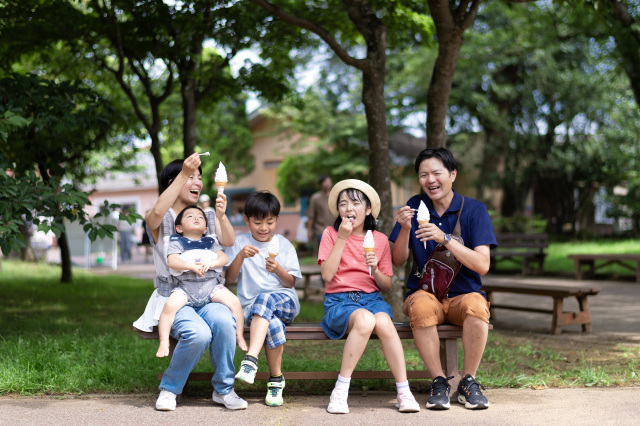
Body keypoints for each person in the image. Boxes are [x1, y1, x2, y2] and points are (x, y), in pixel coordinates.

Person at [132, 153, 247, 412]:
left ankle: (224, 390)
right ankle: (170, 389)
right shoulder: (159, 218)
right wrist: (184, 172)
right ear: (174, 181)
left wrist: (221, 215)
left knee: (224, 324)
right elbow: (157, 211)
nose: (197, 182)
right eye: (189, 177)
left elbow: (228, 242)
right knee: (198, 334)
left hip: (210, 290)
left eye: (198, 177)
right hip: (175, 295)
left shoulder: (204, 215)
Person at [389, 148, 497, 410]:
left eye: (437, 173)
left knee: (477, 305)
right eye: (423, 174)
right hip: (425, 294)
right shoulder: (414, 206)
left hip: (463, 296)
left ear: (452, 174)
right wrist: (405, 230)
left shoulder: (474, 210)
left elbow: (483, 264)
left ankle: (468, 382)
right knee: (421, 305)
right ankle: (439, 381)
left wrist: (445, 238)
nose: (430, 180)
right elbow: (397, 260)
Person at [318, 179, 420, 415]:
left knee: (384, 322)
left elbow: (385, 285)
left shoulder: (380, 240)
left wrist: (374, 268)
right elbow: (327, 274)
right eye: (343, 204)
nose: (349, 209)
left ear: (368, 210)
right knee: (365, 320)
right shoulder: (331, 234)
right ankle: (341, 390)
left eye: (355, 203)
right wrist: (342, 238)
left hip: (372, 300)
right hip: (339, 301)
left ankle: (403, 390)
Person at [224, 191, 302, 407]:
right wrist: (240, 256)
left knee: (266, 299)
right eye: (257, 222)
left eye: (269, 222)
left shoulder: (284, 244)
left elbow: (290, 283)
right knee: (272, 324)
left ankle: (250, 360)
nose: (264, 227)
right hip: (252, 310)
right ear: (247, 220)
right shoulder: (239, 242)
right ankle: (276, 381)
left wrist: (278, 270)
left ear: (277, 219)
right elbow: (229, 280)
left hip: (285, 301)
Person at [156, 205, 248, 359]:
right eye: (190, 216)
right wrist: (190, 266)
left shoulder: (211, 242)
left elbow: (223, 258)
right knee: (169, 307)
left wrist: (211, 263)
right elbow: (172, 261)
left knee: (234, 302)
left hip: (212, 287)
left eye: (200, 216)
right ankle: (163, 340)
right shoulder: (177, 241)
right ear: (179, 228)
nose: (196, 218)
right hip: (186, 288)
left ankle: (239, 335)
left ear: (206, 228)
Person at [307, 175, 334, 252]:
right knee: (325, 253)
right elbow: (311, 216)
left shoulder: (335, 197)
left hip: (334, 230)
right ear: (321, 184)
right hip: (320, 230)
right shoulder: (315, 198)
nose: (328, 184)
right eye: (326, 182)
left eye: (330, 182)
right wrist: (309, 232)